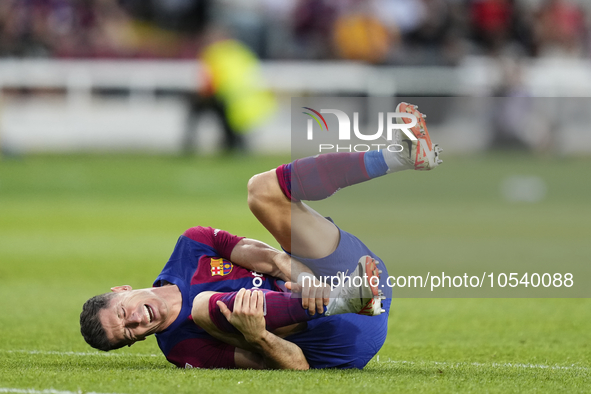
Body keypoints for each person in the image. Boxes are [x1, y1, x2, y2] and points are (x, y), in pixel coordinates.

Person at [80, 102, 442, 370]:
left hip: (360, 278)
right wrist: (257, 336)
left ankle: (400, 157)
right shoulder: (182, 348)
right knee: (205, 307)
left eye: (123, 315)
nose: (137, 322)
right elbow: (296, 365)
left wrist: (304, 278)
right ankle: (343, 299)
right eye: (130, 333)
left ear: (121, 291)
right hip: (339, 335)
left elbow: (271, 257)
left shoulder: (191, 246)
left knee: (261, 190)